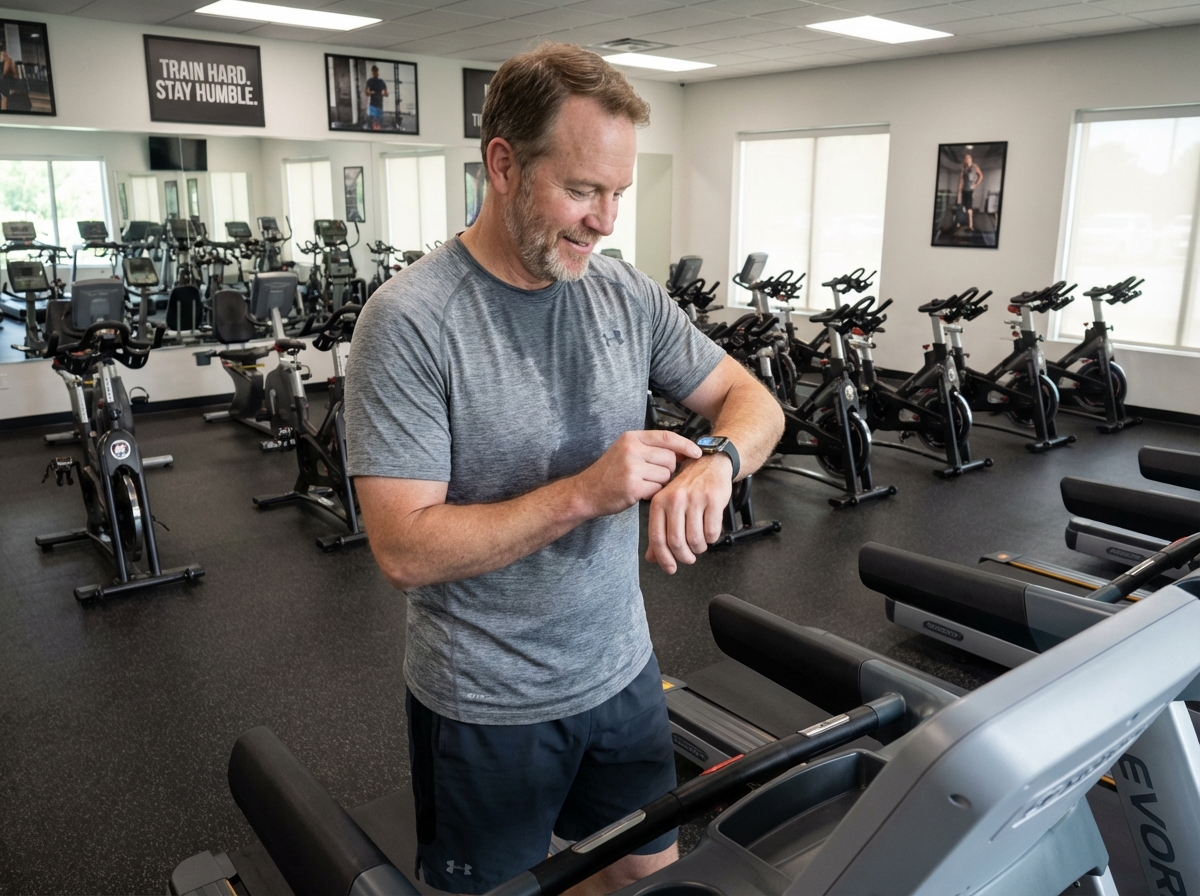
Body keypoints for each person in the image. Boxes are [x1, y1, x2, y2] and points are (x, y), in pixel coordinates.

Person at [344, 43, 783, 895]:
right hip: (485, 704)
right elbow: (403, 550)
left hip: (621, 671)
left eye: (618, 192)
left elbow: (751, 400)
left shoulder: (626, 295)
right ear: (502, 165)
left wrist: (719, 465)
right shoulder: (409, 322)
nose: (606, 220)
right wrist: (586, 492)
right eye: (582, 190)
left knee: (641, 877)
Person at [957, 152, 983, 231]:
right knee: (961, 206)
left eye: (968, 158)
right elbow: (961, 181)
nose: (967, 159)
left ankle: (970, 225)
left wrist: (975, 184)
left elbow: (981, 176)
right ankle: (959, 222)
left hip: (969, 190)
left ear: (971, 159)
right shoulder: (963, 168)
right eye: (966, 158)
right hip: (963, 190)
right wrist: (959, 192)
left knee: (969, 208)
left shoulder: (974, 167)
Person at [364, 64, 387, 130]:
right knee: (373, 122)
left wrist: (384, 93)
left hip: (380, 104)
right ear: (372, 72)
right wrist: (371, 92)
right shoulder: (369, 81)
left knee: (379, 122)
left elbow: (386, 93)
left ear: (378, 72)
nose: (375, 73)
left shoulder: (381, 82)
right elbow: (366, 93)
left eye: (376, 71)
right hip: (372, 105)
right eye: (373, 71)